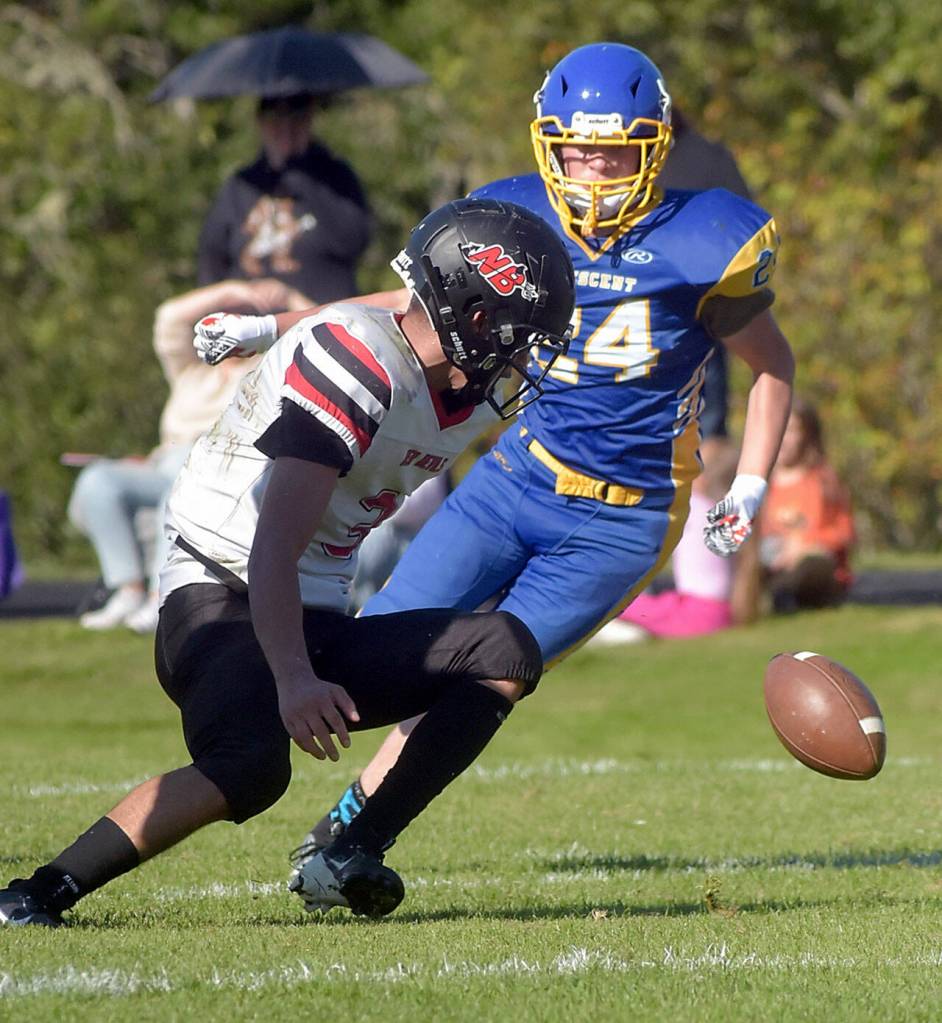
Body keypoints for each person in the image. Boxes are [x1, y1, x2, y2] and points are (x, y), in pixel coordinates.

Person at [192, 43, 796, 898]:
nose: (593, 167)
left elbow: (773, 364)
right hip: (514, 478)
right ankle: (248, 746)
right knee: (381, 656)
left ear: (654, 146)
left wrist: (753, 483)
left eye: (615, 150)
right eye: (579, 147)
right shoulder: (514, 213)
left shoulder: (707, 238)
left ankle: (348, 838)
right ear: (549, 142)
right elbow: (407, 308)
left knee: (490, 673)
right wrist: (276, 325)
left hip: (627, 514)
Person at [0, 197, 575, 928]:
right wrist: (295, 678)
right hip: (220, 584)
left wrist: (271, 326)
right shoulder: (354, 365)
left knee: (507, 648)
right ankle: (39, 892)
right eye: (517, 335)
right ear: (469, 318)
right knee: (250, 764)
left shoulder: (463, 374)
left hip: (313, 605)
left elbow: (405, 301)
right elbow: (272, 542)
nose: (525, 357)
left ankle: (349, 849)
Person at [68, 278, 310, 633]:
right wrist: (234, 291)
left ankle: (159, 599)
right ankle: (127, 589)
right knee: (98, 480)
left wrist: (288, 295)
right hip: (163, 461)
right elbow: (170, 317)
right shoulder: (191, 371)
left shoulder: (268, 371)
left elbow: (318, 330)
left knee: (180, 491)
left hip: (215, 466)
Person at [198, 93, 372, 304]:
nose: (286, 128)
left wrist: (301, 175)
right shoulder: (242, 184)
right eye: (276, 118)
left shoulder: (334, 177)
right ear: (260, 122)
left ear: (309, 120)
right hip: (253, 323)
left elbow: (352, 241)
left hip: (318, 317)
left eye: (296, 118)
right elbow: (212, 259)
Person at [758, 397, 855, 611]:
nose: (783, 438)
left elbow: (844, 533)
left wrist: (803, 546)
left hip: (814, 564)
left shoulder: (823, 481)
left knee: (814, 565)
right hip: (773, 561)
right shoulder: (760, 484)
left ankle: (786, 594)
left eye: (791, 430)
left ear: (807, 435)